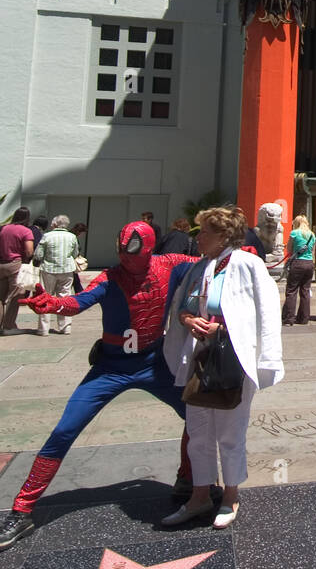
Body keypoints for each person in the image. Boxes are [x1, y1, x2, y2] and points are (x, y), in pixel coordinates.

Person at [0, 222, 198, 550]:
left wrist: (241, 253)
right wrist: (52, 303)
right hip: (110, 368)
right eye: (121, 252)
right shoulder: (111, 278)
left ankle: (186, 478)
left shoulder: (171, 265)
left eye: (132, 253)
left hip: (153, 364)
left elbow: (212, 263)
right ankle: (21, 510)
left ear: (149, 250)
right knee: (64, 431)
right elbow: (80, 301)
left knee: (197, 415)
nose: (126, 259)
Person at [162, 205, 283, 529]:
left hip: (232, 360)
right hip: (199, 360)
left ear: (222, 236)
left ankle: (230, 495)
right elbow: (183, 305)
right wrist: (187, 319)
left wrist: (228, 333)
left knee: (231, 432)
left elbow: (267, 313)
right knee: (198, 432)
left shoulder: (248, 265)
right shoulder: (200, 267)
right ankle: (199, 495)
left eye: (204, 232)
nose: (198, 238)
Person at [33, 215, 81, 335]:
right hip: (67, 270)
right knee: (64, 298)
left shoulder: (47, 236)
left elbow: (38, 254)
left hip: (49, 270)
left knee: (45, 297)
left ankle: (43, 329)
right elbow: (75, 253)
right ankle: (65, 327)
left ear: (54, 224)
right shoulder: (72, 237)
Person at [0, 208, 36, 334]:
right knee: (14, 296)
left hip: (2, 264)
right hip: (16, 264)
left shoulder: (4, 229)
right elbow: (29, 250)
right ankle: (9, 326)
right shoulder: (26, 231)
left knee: (1, 297)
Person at [282, 214, 316, 325]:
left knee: (291, 291)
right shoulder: (312, 235)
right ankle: (304, 318)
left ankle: (289, 318)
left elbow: (289, 248)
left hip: (297, 262)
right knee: (305, 290)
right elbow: (312, 251)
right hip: (309, 263)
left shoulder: (294, 233)